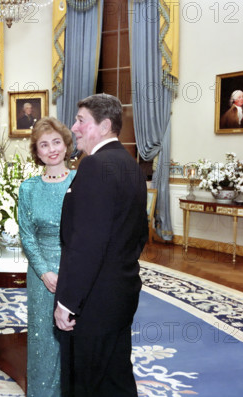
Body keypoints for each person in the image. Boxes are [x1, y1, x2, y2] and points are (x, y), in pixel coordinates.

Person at [54, 94, 148, 396]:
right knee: (115, 377)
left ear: (105, 125)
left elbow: (86, 244)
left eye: (81, 121)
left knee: (86, 382)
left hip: (94, 302)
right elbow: (139, 234)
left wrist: (68, 302)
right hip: (121, 292)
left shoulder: (95, 165)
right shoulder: (130, 165)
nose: (74, 127)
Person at [18, 117, 75, 397]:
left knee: (74, 338)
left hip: (77, 271)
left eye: (56, 142)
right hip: (41, 276)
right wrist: (44, 271)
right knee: (43, 341)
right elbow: (27, 235)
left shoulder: (81, 182)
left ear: (66, 145)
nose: (51, 149)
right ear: (37, 151)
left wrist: (69, 270)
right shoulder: (28, 188)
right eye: (44, 144)